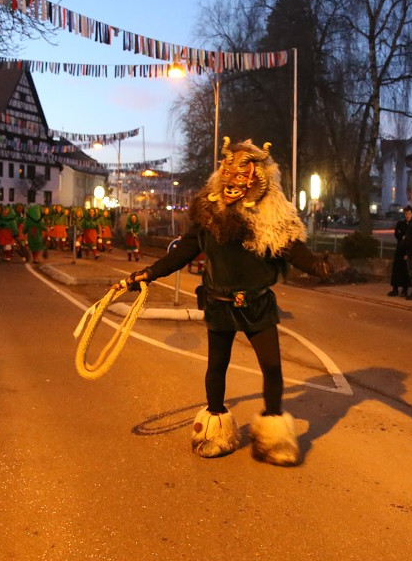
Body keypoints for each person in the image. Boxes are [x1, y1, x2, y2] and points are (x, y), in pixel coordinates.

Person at [116, 138, 330, 466]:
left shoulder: (270, 215)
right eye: (228, 171)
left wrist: (318, 266)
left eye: (242, 174)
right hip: (219, 301)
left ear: (257, 178)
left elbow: (291, 247)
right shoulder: (208, 212)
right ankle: (214, 430)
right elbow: (183, 251)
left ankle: (274, 437)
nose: (233, 180)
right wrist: (146, 274)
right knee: (217, 365)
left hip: (257, 302)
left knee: (272, 366)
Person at [387, 207, 412, 297]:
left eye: (409, 214)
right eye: (406, 214)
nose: (407, 216)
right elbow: (397, 234)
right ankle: (395, 288)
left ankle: (405, 289)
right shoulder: (400, 224)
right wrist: (402, 236)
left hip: (408, 250)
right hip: (400, 249)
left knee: (406, 270)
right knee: (397, 269)